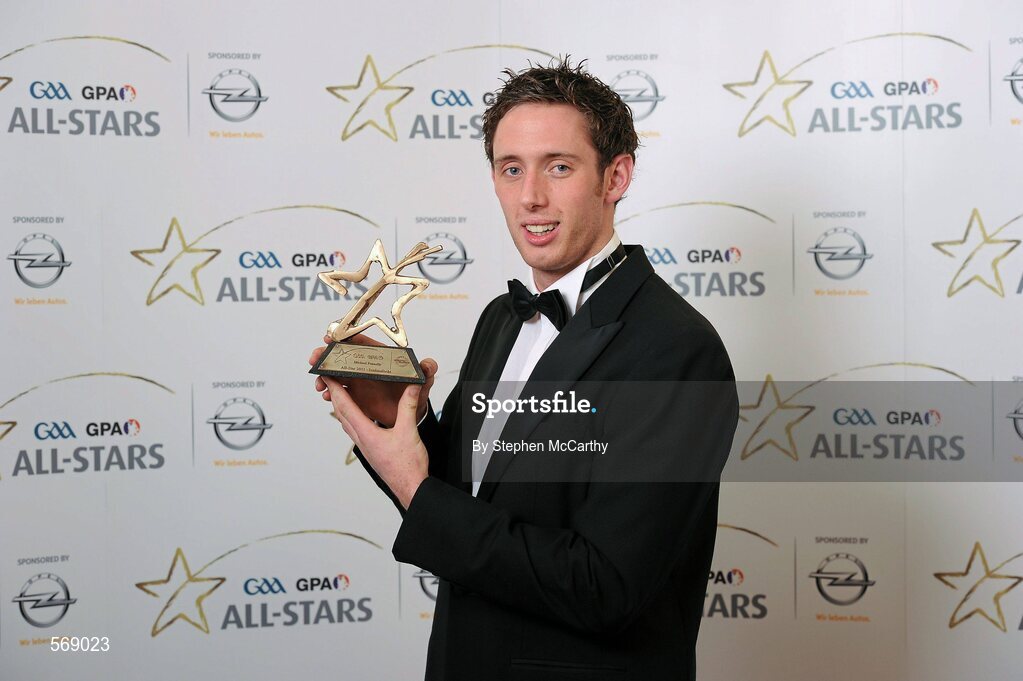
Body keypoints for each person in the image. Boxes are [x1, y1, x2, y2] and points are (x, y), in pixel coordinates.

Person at [309, 59, 738, 681]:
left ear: (615, 177)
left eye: (558, 167)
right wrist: (400, 418)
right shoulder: (501, 320)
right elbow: (467, 502)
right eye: (512, 169)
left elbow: (605, 586)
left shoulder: (677, 350)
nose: (530, 196)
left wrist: (414, 487)